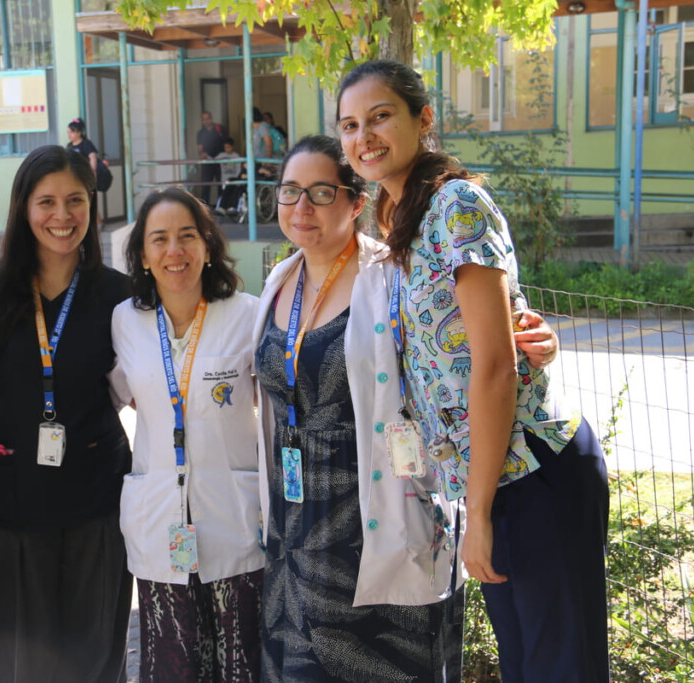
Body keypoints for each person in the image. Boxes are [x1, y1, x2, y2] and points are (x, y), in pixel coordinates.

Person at [336, 59, 609, 683]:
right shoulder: (400, 216)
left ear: (423, 120)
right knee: (528, 667)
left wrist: (479, 514)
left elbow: (491, 366)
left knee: (560, 670)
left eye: (380, 117)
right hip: (494, 480)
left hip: (532, 471)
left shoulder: (455, 204)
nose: (363, 137)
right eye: (350, 125)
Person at [252, 135, 560, 682]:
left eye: (321, 192)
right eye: (290, 192)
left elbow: (470, 347)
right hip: (296, 531)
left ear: (355, 201)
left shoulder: (392, 273)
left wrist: (535, 340)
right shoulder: (278, 282)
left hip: (381, 520)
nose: (303, 208)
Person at [0, 144, 133, 682]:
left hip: (98, 500)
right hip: (11, 502)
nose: (63, 216)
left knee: (95, 657)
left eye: (76, 200)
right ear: (23, 208)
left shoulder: (120, 296)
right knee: (21, 661)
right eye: (47, 202)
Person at [109, 188, 263, 682]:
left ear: (207, 246)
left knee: (241, 662)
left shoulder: (248, 315)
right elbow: (122, 393)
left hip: (232, 520)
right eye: (160, 239)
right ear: (143, 255)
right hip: (159, 522)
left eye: (186, 237)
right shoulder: (125, 321)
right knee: (171, 665)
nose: (174, 251)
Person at [196, 111, 226, 205]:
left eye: (207, 118)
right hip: (207, 162)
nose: (206, 121)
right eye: (203, 119)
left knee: (221, 184)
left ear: (211, 118)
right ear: (201, 120)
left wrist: (226, 156)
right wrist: (202, 154)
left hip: (220, 161)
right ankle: (205, 207)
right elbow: (200, 149)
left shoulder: (220, 129)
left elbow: (227, 144)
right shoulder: (200, 133)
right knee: (205, 185)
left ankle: (222, 206)